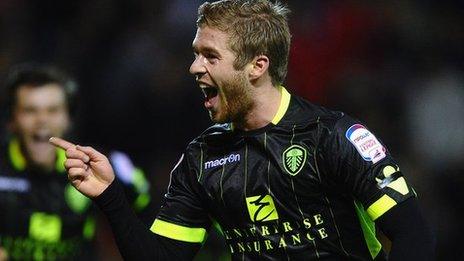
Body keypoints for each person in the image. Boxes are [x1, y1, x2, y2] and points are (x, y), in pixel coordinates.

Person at [50, 0, 435, 260]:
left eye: (210, 56)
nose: (194, 68)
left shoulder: (334, 136)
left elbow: (414, 236)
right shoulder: (202, 158)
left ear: (257, 66)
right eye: (195, 54)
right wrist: (110, 197)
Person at [0, 63, 152, 260]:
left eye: (53, 110)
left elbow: (152, 212)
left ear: (68, 119)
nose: (42, 120)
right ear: (12, 121)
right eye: (30, 110)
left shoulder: (102, 167)